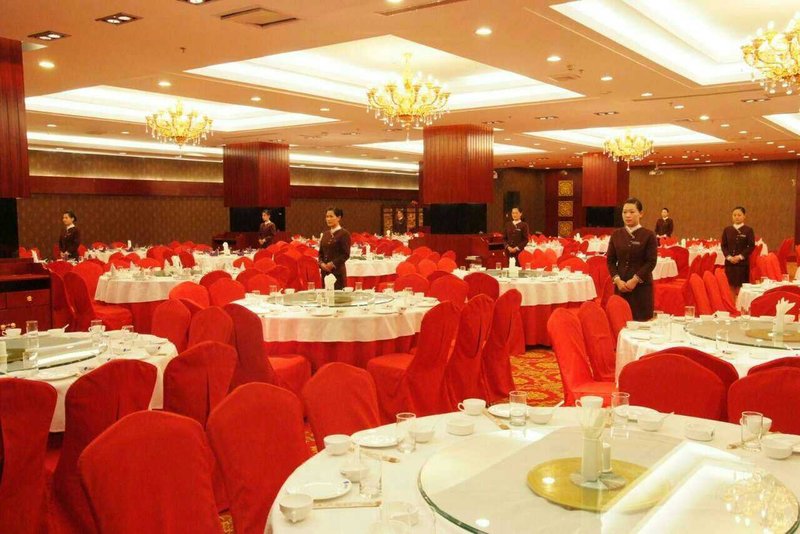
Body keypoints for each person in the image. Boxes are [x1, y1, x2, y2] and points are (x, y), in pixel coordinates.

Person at [607, 198, 658, 321]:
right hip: (621, 286)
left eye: (631, 212)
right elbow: (610, 260)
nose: (627, 215)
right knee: (620, 322)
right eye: (624, 212)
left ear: (641, 213)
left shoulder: (649, 235)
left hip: (641, 287)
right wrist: (617, 280)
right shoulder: (616, 235)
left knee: (642, 322)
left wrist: (635, 280)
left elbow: (651, 262)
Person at [721, 206, 755, 290]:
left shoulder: (748, 230)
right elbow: (723, 246)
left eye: (739, 215)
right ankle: (732, 299)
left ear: (744, 216)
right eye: (734, 215)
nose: (737, 217)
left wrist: (740, 257)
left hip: (742, 263)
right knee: (730, 285)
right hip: (729, 263)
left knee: (742, 287)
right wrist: (729, 257)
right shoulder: (727, 230)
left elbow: (751, 246)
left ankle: (740, 299)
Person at [318, 207, 351, 290]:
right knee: (326, 295)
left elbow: (345, 254)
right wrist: (321, 264)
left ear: (338, 218)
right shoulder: (325, 234)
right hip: (325, 273)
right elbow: (320, 253)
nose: (328, 219)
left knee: (338, 296)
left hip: (337, 273)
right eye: (327, 217)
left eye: (331, 216)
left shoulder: (344, 234)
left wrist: (332, 264)